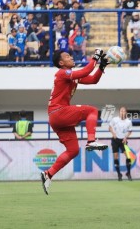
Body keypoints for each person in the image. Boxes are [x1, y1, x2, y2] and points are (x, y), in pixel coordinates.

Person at [40, 49, 109, 195]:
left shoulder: (70, 76)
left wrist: (101, 67)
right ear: (61, 63)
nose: (71, 57)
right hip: (58, 112)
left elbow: (93, 80)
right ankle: (91, 141)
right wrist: (95, 58)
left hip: (56, 117)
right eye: (67, 56)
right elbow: (85, 71)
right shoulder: (61, 73)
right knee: (92, 111)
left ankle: (49, 174)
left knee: (73, 150)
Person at [108, 106, 133, 181]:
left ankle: (128, 173)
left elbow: (130, 131)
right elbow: (110, 127)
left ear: (126, 112)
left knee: (128, 156)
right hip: (115, 140)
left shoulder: (128, 121)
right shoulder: (115, 119)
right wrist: (113, 134)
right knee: (116, 156)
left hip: (123, 140)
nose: (122, 112)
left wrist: (126, 137)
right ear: (119, 112)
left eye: (124, 111)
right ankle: (119, 174)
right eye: (121, 111)